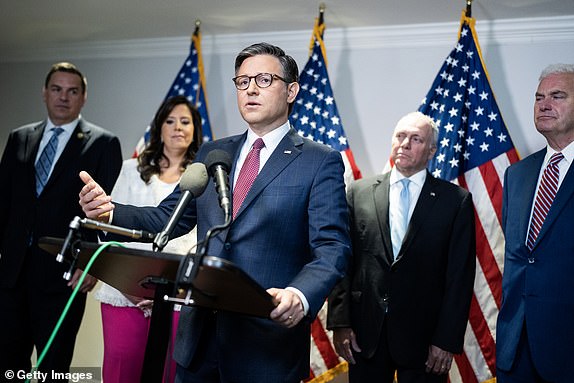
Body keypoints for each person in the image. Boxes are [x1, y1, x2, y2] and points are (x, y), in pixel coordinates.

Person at [78, 42, 351, 383]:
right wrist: (109, 211)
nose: (250, 88)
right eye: (242, 81)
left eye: (264, 79)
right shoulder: (212, 152)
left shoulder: (318, 160)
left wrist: (299, 295)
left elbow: (332, 248)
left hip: (265, 344)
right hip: (199, 342)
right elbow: (166, 218)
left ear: (291, 90)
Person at [327, 111, 476, 383]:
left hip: (425, 340)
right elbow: (343, 262)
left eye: (416, 139)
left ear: (431, 151)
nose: (405, 144)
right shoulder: (358, 193)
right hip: (365, 336)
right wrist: (340, 322)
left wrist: (447, 340)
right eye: (400, 136)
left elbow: (460, 277)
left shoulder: (455, 201)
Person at [0, 62, 122, 380]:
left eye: (72, 91)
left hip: (63, 274)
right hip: (11, 274)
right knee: (8, 362)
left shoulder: (103, 143)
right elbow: (4, 203)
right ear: (44, 93)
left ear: (83, 97)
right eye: (56, 89)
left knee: (53, 367)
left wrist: (91, 261)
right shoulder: (19, 137)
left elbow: (102, 214)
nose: (63, 97)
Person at [94, 95, 203, 383]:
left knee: (171, 374)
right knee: (122, 371)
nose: (177, 127)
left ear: (195, 129)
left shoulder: (203, 178)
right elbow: (110, 228)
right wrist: (129, 286)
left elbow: (204, 240)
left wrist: (173, 292)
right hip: (125, 291)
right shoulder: (131, 170)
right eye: (170, 121)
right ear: (159, 127)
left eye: (185, 121)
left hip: (179, 295)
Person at [496, 63, 574, 382]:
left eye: (557, 96)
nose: (544, 104)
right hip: (516, 348)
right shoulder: (517, 174)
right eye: (539, 97)